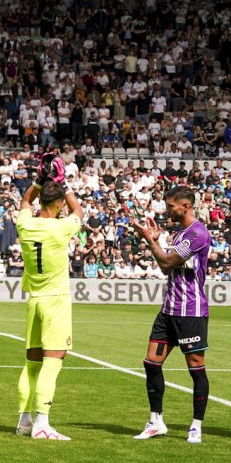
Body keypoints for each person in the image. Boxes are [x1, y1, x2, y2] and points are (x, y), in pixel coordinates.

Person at [130, 186, 211, 444]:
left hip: (191, 313)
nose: (168, 209)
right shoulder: (179, 234)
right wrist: (158, 240)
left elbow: (165, 262)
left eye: (171, 205)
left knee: (196, 370)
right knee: (151, 363)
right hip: (168, 310)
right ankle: (156, 421)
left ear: (185, 206)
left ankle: (196, 426)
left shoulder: (197, 233)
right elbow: (169, 269)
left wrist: (150, 240)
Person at [14, 153, 83, 441]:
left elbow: (24, 203)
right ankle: (42, 424)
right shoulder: (61, 228)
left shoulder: (25, 224)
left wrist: (38, 181)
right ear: (57, 205)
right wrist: (63, 184)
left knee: (31, 363)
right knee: (53, 361)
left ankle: (24, 420)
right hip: (55, 300)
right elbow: (78, 211)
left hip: (34, 300)